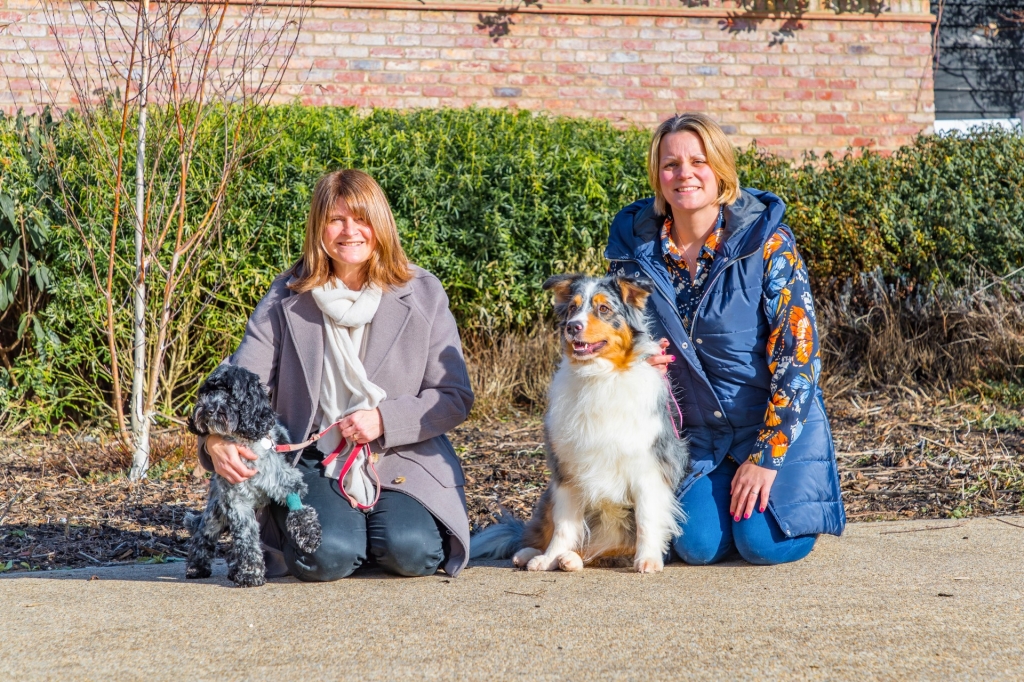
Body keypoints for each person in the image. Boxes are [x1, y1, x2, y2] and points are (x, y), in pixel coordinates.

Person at [196, 169, 474, 580]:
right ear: (318, 228)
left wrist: (383, 419)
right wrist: (214, 439)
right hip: (312, 458)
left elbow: (453, 395)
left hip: (401, 455)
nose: (350, 232)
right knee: (326, 557)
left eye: (361, 219)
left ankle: (377, 532)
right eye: (335, 220)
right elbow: (238, 380)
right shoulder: (285, 296)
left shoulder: (424, 292)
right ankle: (350, 536)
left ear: (380, 224)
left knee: (412, 554)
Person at [605, 113, 845, 565]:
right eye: (671, 164)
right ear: (658, 176)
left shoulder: (768, 244)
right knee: (694, 547)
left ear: (720, 171)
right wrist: (636, 362)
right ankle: (730, 508)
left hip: (775, 430)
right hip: (704, 440)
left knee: (762, 544)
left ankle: (760, 513)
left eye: (699, 161)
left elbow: (800, 358)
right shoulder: (632, 254)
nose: (685, 174)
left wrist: (766, 459)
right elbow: (611, 339)